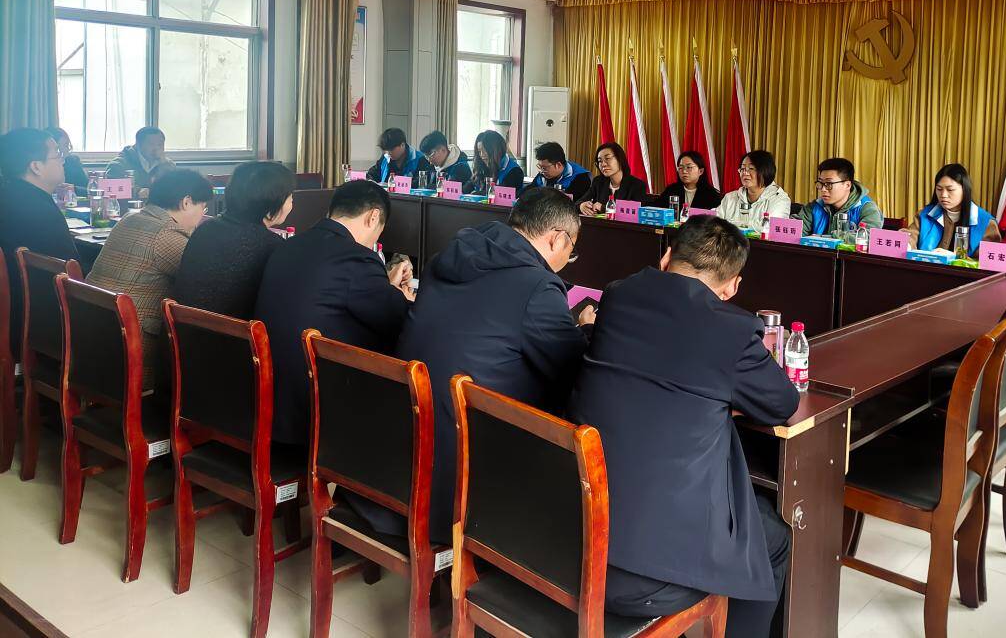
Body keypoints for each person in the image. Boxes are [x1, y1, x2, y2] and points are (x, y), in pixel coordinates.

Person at [569, 216, 800, 638]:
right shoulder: (732, 330)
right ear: (731, 287)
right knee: (774, 538)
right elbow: (782, 403)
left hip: (573, 537)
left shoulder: (618, 297)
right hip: (640, 579)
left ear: (667, 257)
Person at [394, 187, 592, 543]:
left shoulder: (450, 254)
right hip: (462, 474)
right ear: (557, 238)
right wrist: (585, 329)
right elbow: (573, 371)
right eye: (572, 250)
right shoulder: (537, 286)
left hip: (404, 446)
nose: (568, 258)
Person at [253, 180, 414, 447]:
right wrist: (403, 297)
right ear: (373, 217)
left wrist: (384, 285)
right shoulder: (357, 258)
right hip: (314, 408)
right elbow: (398, 320)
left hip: (271, 397)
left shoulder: (290, 245)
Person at [86, 168, 212, 390]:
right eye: (203, 208)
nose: (202, 216)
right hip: (132, 356)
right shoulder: (167, 235)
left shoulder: (129, 219)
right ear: (186, 202)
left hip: (92, 344)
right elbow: (207, 280)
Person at [173, 162, 295, 320]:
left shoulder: (206, 229)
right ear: (270, 208)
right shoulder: (272, 247)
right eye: (290, 197)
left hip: (184, 332)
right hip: (235, 334)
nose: (292, 202)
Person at [0, 127, 77, 357]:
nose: (63, 160)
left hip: (17, 308)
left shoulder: (9, 194)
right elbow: (71, 272)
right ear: (36, 167)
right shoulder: (39, 210)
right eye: (57, 154)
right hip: (40, 319)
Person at [907, 163, 1001, 255]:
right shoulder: (925, 215)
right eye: (939, 189)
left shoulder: (986, 223)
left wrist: (953, 257)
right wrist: (907, 243)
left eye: (950, 190)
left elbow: (988, 258)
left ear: (964, 189)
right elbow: (910, 235)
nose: (943, 195)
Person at [800, 157, 883, 237]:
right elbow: (796, 231)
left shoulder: (867, 209)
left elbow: (867, 238)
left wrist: (827, 238)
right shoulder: (814, 207)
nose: (823, 189)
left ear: (847, 185)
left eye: (829, 184)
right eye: (821, 183)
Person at [717, 150, 791, 232]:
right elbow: (714, 223)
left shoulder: (780, 200)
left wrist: (729, 224)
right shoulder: (730, 198)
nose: (745, 173)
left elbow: (769, 228)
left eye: (751, 168)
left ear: (765, 171)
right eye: (742, 168)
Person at [576, 142, 650, 215]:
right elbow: (578, 202)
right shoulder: (598, 182)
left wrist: (603, 208)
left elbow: (635, 213)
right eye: (600, 161)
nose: (603, 164)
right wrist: (581, 206)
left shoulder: (637, 185)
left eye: (607, 158)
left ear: (620, 159)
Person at [655, 150, 723, 213]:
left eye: (689, 167)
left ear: (701, 171)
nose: (684, 171)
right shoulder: (671, 190)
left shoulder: (711, 195)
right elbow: (657, 208)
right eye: (681, 168)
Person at [105, 126, 169, 192]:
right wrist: (138, 191)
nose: (156, 149)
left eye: (160, 144)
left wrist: (165, 165)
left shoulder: (166, 163)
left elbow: (174, 186)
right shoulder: (118, 165)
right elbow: (113, 191)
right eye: (151, 144)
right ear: (138, 144)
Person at [465, 130, 524, 194]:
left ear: (496, 150)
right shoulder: (483, 167)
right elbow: (466, 188)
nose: (482, 155)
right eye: (479, 151)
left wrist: (476, 194)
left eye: (485, 151)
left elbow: (498, 194)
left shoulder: (514, 171)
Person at [46, 127, 89, 192]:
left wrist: (74, 189)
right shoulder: (43, 167)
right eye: (65, 145)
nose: (68, 149)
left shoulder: (73, 162)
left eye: (68, 145)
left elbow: (87, 190)